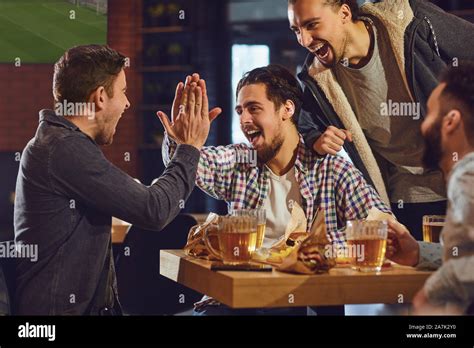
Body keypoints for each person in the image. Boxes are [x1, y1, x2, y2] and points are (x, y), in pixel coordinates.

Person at [160, 65, 391, 315]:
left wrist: (315, 247)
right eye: (240, 111)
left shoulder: (331, 169)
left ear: (287, 109)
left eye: (254, 108)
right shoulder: (240, 160)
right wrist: (182, 142)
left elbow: (384, 225)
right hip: (241, 300)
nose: (244, 120)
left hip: (305, 300)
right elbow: (189, 163)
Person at [13, 45, 220, 315]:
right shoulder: (63, 148)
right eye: (122, 92)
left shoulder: (60, 142)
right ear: (100, 97)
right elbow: (154, 210)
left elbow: (150, 205)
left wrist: (184, 148)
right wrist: (189, 148)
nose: (127, 103)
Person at [288, 0, 474, 239]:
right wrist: (317, 139)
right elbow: (306, 123)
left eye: (312, 25)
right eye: (296, 30)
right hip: (406, 199)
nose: (304, 40)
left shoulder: (411, 21)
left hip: (463, 184)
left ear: (344, 13)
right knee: (417, 269)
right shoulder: (317, 78)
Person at [386, 62, 474, 314]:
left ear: (451, 122)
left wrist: (432, 291)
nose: (422, 126)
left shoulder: (467, 173)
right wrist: (418, 252)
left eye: (430, 113)